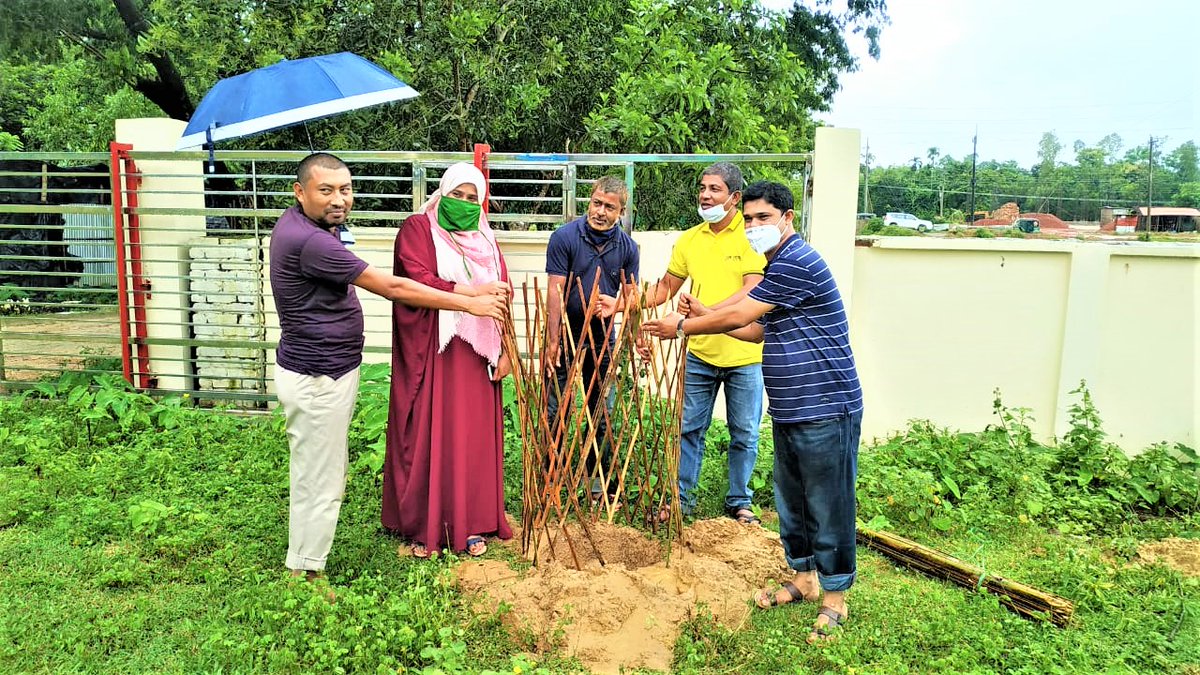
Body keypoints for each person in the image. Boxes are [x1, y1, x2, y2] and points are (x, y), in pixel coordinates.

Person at [642, 181, 863, 643]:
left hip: (826, 404)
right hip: (791, 405)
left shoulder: (798, 261)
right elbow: (757, 330)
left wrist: (683, 324)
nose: (755, 226)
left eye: (765, 218)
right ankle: (803, 580)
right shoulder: (775, 263)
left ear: (788, 218)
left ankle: (835, 597)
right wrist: (704, 312)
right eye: (751, 219)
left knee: (828, 501)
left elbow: (738, 315)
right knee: (792, 499)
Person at [270, 153, 508, 581]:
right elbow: (396, 286)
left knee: (325, 470)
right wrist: (470, 299)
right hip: (320, 373)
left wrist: (499, 331)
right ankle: (305, 571)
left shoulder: (312, 228)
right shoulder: (313, 241)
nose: (338, 199)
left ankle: (307, 562)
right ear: (299, 192)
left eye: (344, 189)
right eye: (326, 191)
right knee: (319, 477)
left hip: (330, 368)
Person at [382, 162, 515, 558]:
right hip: (434, 351)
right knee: (432, 434)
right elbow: (414, 279)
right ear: (442, 193)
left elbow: (502, 295)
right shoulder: (418, 229)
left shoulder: (487, 240)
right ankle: (428, 525)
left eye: (473, 198)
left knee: (470, 438)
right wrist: (470, 294)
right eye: (457, 194)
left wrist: (507, 347)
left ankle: (470, 522)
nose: (464, 203)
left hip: (476, 357)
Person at [641, 162, 766, 524]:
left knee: (743, 431)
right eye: (702, 188)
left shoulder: (750, 234)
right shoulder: (690, 239)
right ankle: (682, 500)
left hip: (744, 353)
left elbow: (752, 288)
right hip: (700, 353)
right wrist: (624, 302)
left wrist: (702, 314)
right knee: (689, 428)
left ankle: (740, 502)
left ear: (734, 197)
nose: (706, 195)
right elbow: (665, 288)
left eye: (715, 189)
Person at [544, 177, 640, 505]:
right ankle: (552, 478)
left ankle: (595, 481)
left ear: (621, 212)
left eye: (609, 207)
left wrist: (638, 335)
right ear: (590, 201)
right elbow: (555, 291)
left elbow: (631, 297)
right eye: (596, 203)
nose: (600, 211)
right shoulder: (565, 237)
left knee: (603, 411)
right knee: (556, 407)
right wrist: (552, 340)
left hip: (602, 337)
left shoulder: (628, 248)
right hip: (567, 333)